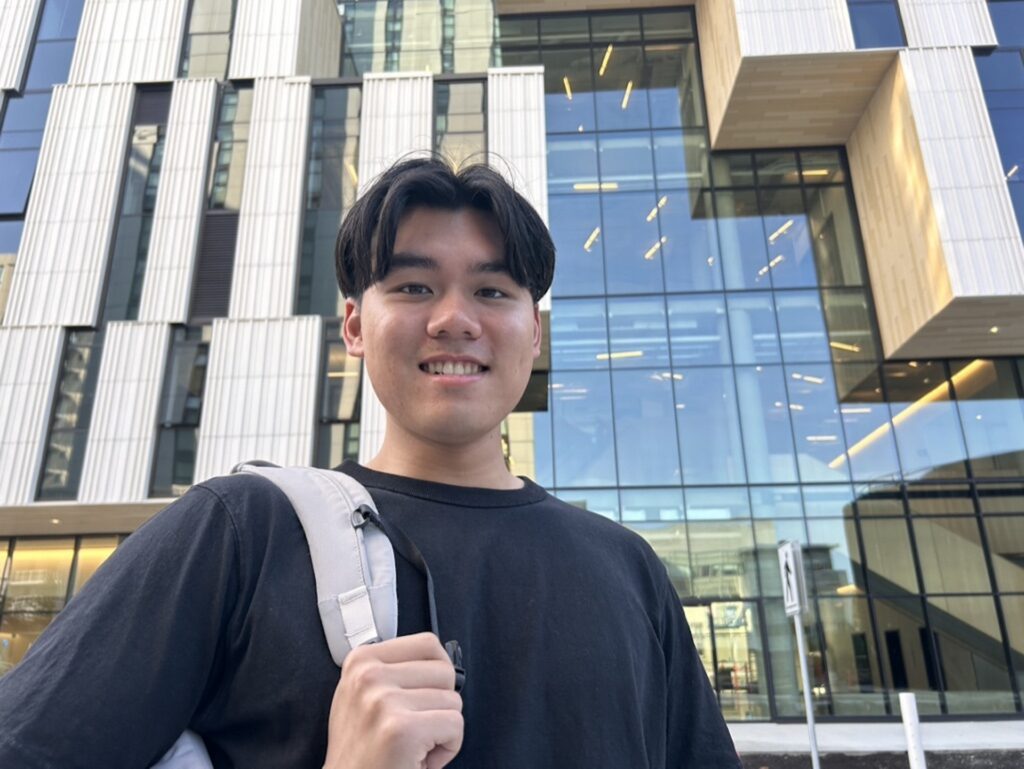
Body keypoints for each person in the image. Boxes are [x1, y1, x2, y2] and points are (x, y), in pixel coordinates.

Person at [0, 157, 741, 768]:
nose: (455, 317)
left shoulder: (629, 569)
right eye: (414, 286)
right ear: (355, 324)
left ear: (534, 334)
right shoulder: (239, 532)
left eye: (492, 289)